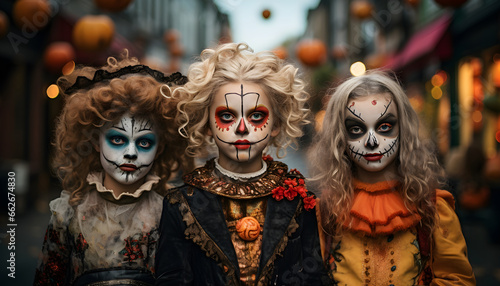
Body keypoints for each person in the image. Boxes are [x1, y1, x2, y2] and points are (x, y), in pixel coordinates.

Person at [154, 43, 330, 285]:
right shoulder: (180, 204)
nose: (242, 128)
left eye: (256, 116)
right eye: (227, 116)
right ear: (207, 124)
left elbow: (312, 278)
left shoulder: (299, 200)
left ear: (276, 124)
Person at [34, 51, 191, 286]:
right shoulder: (68, 213)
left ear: (159, 149)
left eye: (144, 142)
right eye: (117, 139)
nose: (130, 152)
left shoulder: (169, 215)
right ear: (96, 141)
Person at [308, 71, 475, 285]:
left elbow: (457, 279)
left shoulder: (432, 208)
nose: (371, 142)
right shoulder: (324, 213)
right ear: (340, 137)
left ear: (402, 129)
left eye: (384, 127)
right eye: (356, 129)